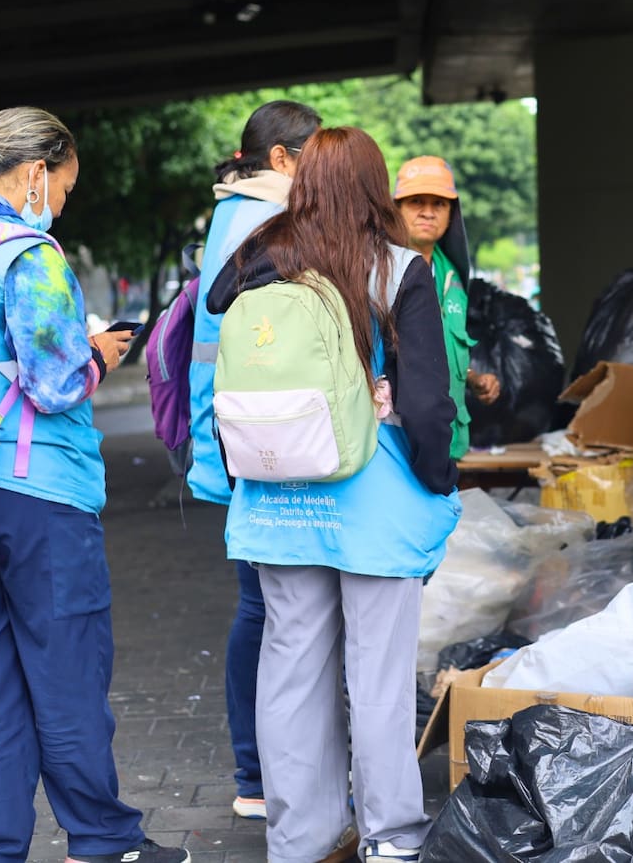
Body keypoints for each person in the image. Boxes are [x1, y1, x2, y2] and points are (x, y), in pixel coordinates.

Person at [0, 107, 190, 863]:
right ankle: (102, 841)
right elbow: (57, 380)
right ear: (36, 174)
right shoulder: (27, 251)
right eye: (63, 187)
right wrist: (98, 351)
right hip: (34, 490)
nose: (60, 202)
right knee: (65, 672)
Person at [205, 127, 461, 863]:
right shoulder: (399, 269)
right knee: (376, 680)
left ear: (304, 181)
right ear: (377, 188)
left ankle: (300, 841)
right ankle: (388, 839)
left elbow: (219, 302)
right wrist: (438, 481)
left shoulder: (261, 255)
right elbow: (427, 401)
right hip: (371, 499)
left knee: (289, 670)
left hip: (279, 496)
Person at [185, 99, 321, 822]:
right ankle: (260, 773)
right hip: (259, 442)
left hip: (240, 437)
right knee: (270, 610)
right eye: (314, 153)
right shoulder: (263, 222)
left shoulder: (236, 213)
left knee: (263, 607)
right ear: (280, 159)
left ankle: (259, 773)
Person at [392, 156, 499, 460]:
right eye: (416, 201)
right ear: (396, 209)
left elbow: (441, 351)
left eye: (439, 204)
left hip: (448, 440)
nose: (428, 212)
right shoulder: (381, 272)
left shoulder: (451, 275)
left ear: (451, 213)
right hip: (399, 441)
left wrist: (473, 378)